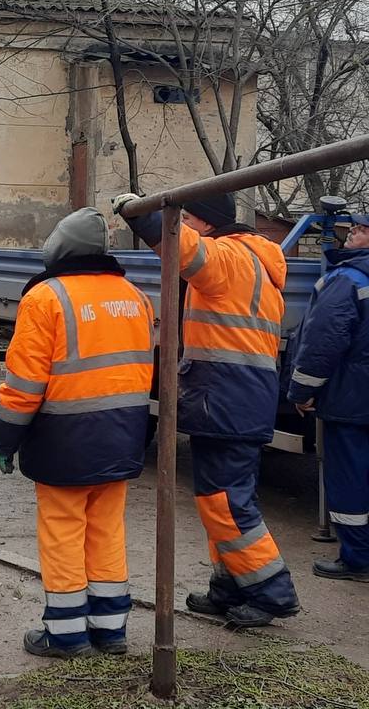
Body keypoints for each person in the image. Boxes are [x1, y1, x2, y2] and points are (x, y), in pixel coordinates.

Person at [114, 190, 300, 628]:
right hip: (236, 395)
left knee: (225, 500)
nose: (185, 226)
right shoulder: (254, 258)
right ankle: (232, 584)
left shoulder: (230, 258)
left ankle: (272, 591)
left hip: (227, 396)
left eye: (188, 219)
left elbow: (185, 249)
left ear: (203, 222)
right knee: (226, 497)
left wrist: (140, 214)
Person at [0, 208, 153, 658]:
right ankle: (110, 629)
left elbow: (24, 384)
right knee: (107, 530)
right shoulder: (135, 296)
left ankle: (65, 634)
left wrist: (3, 439)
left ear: (60, 246)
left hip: (64, 439)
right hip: (123, 434)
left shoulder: (45, 298)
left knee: (62, 531)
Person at [287, 214, 369, 581]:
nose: (352, 231)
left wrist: (302, 391)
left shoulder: (347, 280)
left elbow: (322, 343)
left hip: (352, 401)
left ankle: (357, 559)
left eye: (362, 228)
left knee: (350, 478)